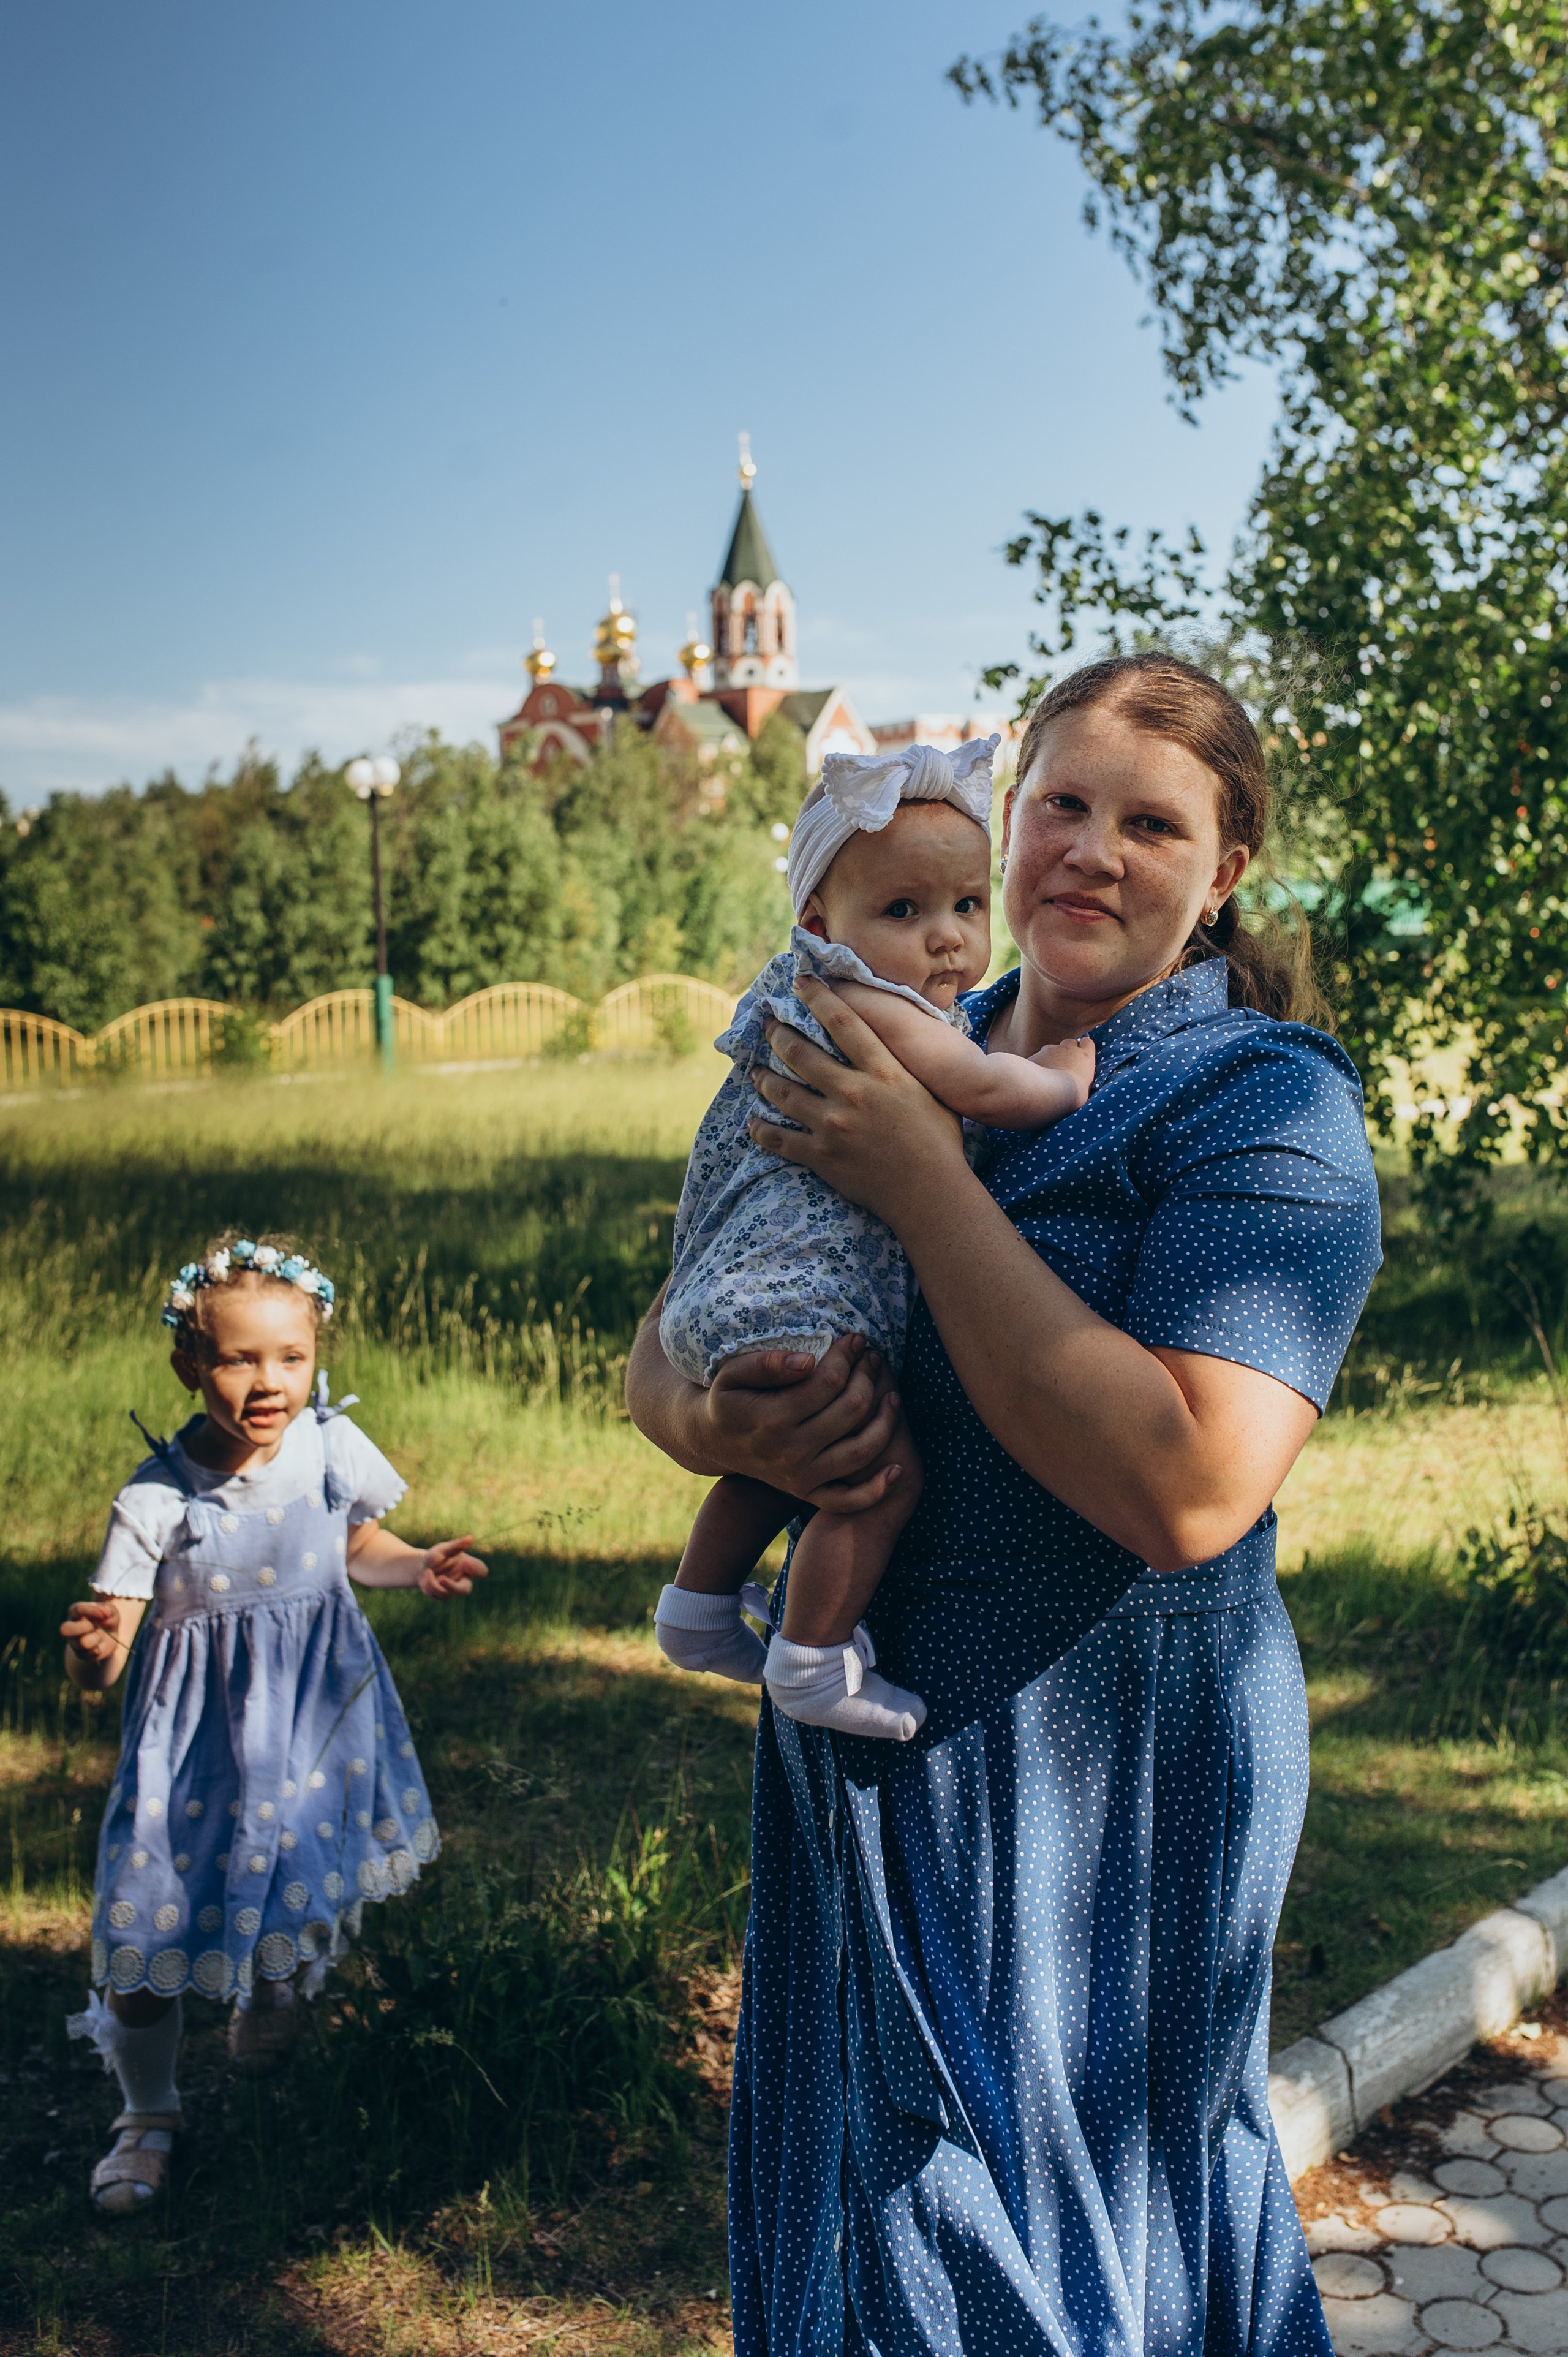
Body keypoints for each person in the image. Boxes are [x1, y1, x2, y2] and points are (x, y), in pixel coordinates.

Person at [627, 653, 1384, 2356]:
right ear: (1003, 810)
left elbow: (1190, 1485)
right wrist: (727, 1416)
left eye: (1150, 823)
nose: (1091, 853)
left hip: (1105, 1787)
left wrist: (924, 1189)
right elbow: (672, 1327)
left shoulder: (1262, 1104)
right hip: (869, 1761)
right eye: (1062, 804)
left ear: (1225, 868)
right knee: (870, 2216)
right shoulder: (900, 1030)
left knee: (1071, 2228)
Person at [655, 735, 1093, 1741]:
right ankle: (812, 1663)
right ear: (821, 920)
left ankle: (695, 1607)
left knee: (775, 1463)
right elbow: (989, 1089)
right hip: (804, 1301)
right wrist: (1064, 1078)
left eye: (965, 907)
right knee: (874, 1475)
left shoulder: (795, 994)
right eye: (905, 912)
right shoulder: (864, 1002)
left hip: (726, 1297)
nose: (947, 940)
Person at [61, 1232, 486, 2216]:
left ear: (315, 1357)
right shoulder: (158, 1497)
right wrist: (90, 1652)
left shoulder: (329, 1445)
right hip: (193, 1754)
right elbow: (108, 1645)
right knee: (146, 1922)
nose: (269, 1382)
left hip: (310, 1721)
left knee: (297, 1864)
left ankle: (275, 1986)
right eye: (239, 1359)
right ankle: (147, 2114)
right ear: (188, 1366)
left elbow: (357, 1542)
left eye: (289, 1358)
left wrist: (412, 1563)